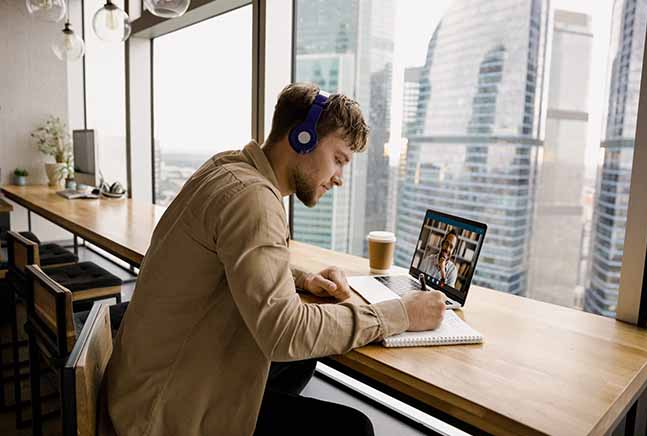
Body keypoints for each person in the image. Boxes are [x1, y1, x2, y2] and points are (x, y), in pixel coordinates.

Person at [100, 83, 446, 436]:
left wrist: (301, 279)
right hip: (161, 415)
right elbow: (285, 333)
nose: (339, 178)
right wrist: (401, 314)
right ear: (302, 139)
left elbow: (227, 254)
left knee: (300, 361)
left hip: (142, 381)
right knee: (353, 428)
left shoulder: (227, 166)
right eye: (339, 159)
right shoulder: (254, 201)